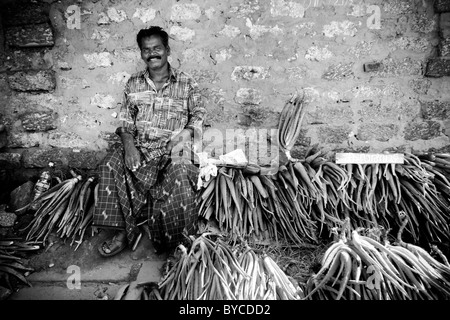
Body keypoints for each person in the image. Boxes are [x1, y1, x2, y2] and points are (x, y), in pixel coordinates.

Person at [93, 26, 206, 258]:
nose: (152, 53)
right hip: (141, 148)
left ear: (167, 50)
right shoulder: (133, 84)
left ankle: (178, 244)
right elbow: (125, 122)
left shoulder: (186, 83)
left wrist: (184, 136)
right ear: (141, 53)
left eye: (157, 48)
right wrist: (129, 146)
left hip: (171, 150)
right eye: (147, 50)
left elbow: (199, 115)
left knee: (182, 170)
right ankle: (123, 231)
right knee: (109, 165)